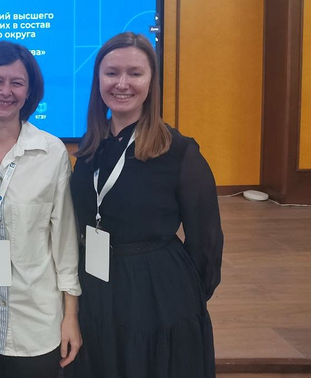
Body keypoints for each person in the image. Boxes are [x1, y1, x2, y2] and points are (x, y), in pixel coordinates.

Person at [66, 32, 224, 378]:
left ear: (151, 82)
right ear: (98, 80)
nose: (122, 83)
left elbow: (207, 242)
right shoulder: (90, 149)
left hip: (156, 295)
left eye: (135, 73)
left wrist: (180, 297)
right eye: (112, 73)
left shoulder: (180, 152)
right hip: (96, 289)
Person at [0, 41, 82, 378]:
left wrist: (71, 316)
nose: (5, 91)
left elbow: (64, 241)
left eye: (17, 82)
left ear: (30, 90)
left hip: (36, 324)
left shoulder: (51, 152)